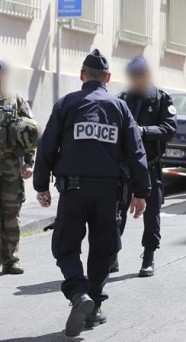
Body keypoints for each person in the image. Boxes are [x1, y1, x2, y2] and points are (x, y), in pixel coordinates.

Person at [33, 49, 150, 337]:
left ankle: (78, 293)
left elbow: (46, 146)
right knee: (103, 248)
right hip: (109, 193)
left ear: (82, 75)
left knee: (66, 246)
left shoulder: (66, 104)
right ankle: (94, 305)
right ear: (108, 78)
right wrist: (141, 192)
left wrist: (41, 186)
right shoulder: (120, 108)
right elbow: (136, 152)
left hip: (72, 189)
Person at [114, 55, 176, 277]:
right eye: (133, 76)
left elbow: (169, 129)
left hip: (149, 166)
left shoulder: (160, 99)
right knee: (116, 213)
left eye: (140, 75)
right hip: (125, 168)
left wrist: (144, 131)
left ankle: (148, 257)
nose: (136, 80)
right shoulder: (121, 99)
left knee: (151, 215)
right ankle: (113, 254)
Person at [0, 58, 38, 274]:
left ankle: (11, 260)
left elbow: (30, 132)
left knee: (11, 214)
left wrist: (29, 162)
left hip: (11, 167)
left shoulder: (16, 99)